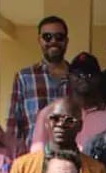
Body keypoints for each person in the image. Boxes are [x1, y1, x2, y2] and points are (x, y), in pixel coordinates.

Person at [29, 52, 106, 152]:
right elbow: (37, 156)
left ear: (98, 78)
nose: (83, 78)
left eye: (90, 74)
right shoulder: (50, 113)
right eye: (78, 74)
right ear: (69, 77)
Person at [7, 15, 71, 148]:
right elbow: (14, 125)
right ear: (39, 40)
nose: (53, 41)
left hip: (72, 160)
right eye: (47, 37)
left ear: (66, 41)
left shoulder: (77, 79)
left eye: (59, 37)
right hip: (34, 160)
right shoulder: (25, 77)